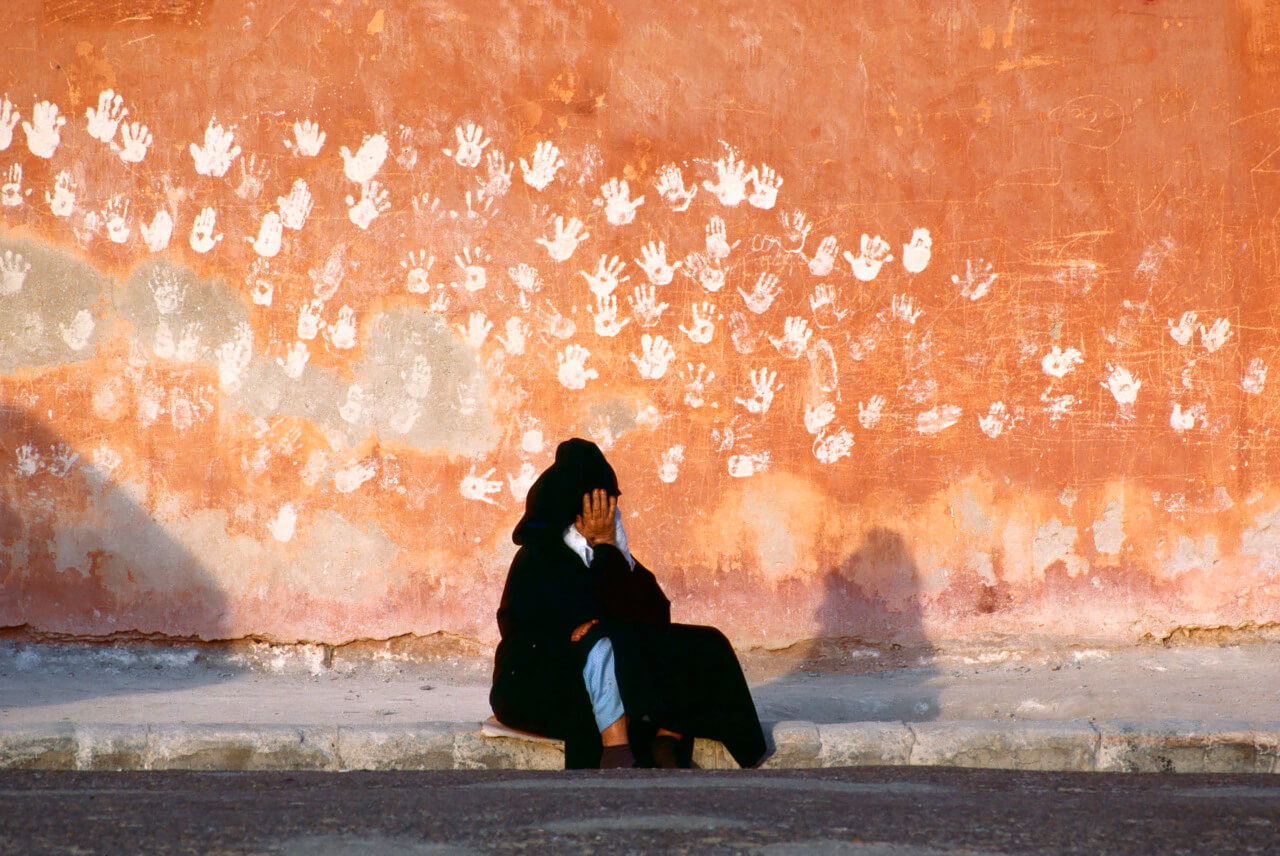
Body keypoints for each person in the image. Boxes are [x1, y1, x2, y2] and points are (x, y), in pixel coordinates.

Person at [489, 438, 768, 769]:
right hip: (538, 683)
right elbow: (567, 626)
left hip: (604, 667)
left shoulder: (610, 552)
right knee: (601, 643)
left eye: (610, 506)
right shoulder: (538, 557)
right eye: (597, 506)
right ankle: (616, 752)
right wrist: (605, 604)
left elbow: (655, 615)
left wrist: (607, 547)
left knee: (702, 642)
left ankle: (668, 739)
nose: (608, 516)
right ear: (573, 510)